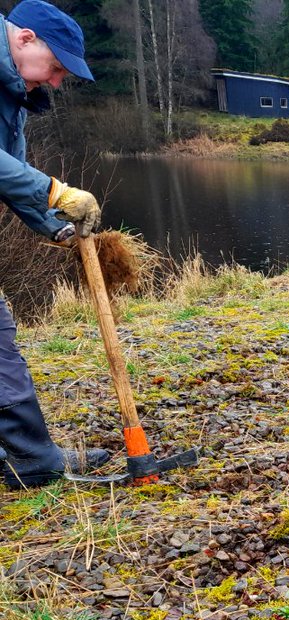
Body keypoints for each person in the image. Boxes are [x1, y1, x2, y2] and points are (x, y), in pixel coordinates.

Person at [1, 0, 108, 489]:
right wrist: (56, 191)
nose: (57, 82)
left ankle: (31, 456)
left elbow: (8, 174)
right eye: (57, 67)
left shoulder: (11, 90)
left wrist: (56, 223)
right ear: (25, 39)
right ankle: (34, 460)